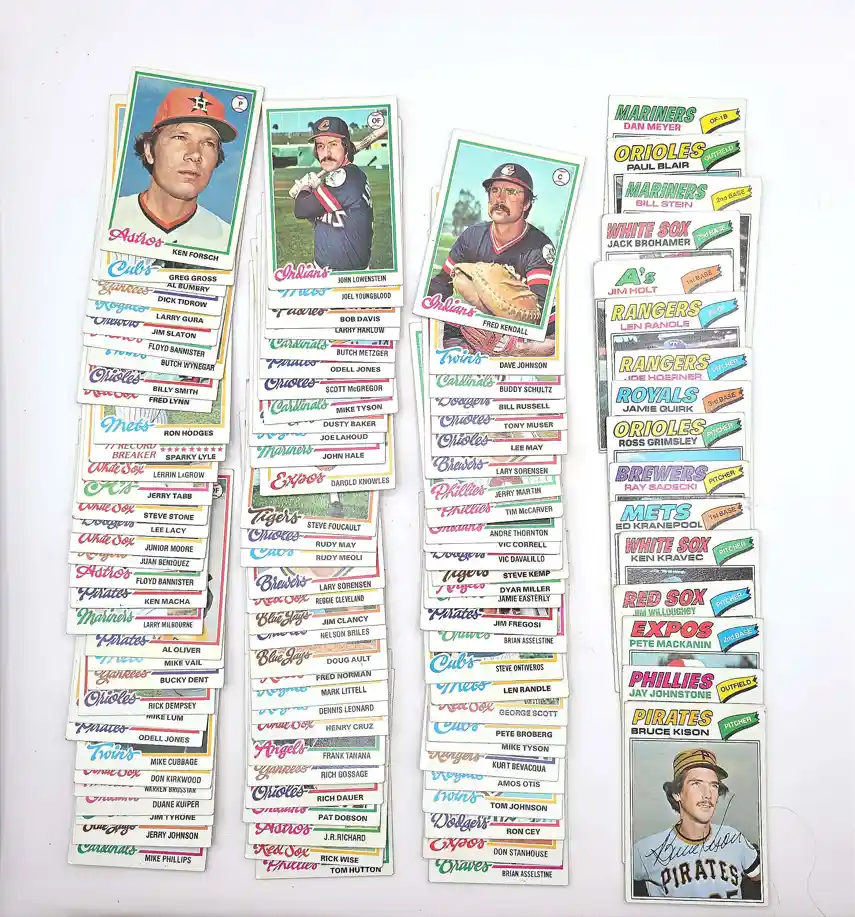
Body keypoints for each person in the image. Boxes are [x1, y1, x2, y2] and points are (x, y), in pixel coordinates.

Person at [429, 163, 556, 356]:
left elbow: (542, 317)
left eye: (511, 192)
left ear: (526, 204)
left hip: (512, 341)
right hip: (466, 335)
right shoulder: (472, 236)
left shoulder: (539, 247)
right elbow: (441, 283)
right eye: (495, 190)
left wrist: (520, 346)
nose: (499, 198)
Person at [112, 87, 237, 249]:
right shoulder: (109, 217)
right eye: (180, 137)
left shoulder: (228, 241)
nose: (195, 154)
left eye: (208, 143)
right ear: (149, 150)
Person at [632, 748, 762, 900]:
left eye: (714, 785)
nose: (707, 794)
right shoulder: (645, 851)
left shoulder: (735, 838)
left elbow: (764, 880)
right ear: (677, 793)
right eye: (696, 784)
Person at [290, 117, 373, 271]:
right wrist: (313, 189)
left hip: (348, 277)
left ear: (346, 147)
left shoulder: (348, 176)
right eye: (320, 146)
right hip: (323, 269)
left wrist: (304, 188)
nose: (326, 153)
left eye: (333, 144)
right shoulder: (339, 177)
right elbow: (319, 218)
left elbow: (301, 210)